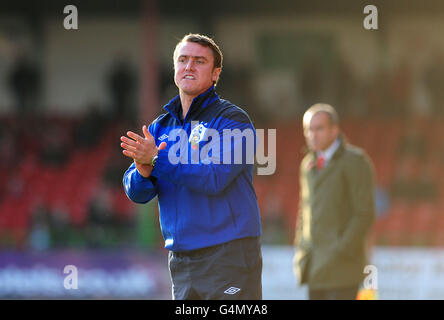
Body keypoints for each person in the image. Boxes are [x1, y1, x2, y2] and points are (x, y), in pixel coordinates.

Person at [121, 34, 262, 300]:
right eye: (183, 60)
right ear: (174, 68)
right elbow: (136, 193)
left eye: (199, 61)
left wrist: (156, 160)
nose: (189, 66)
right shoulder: (159, 127)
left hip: (227, 253)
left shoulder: (233, 120)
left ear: (215, 73)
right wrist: (142, 172)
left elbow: (214, 178)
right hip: (181, 258)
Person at [293, 103, 376, 300]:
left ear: (334, 129)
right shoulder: (307, 164)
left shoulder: (355, 161)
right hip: (314, 266)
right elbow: (304, 210)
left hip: (343, 268)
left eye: (319, 128)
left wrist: (341, 248)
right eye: (308, 130)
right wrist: (302, 247)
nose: (313, 135)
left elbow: (364, 213)